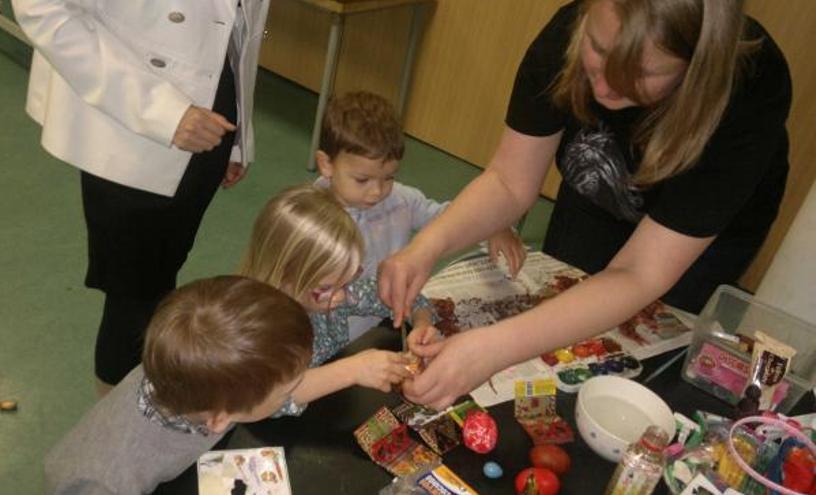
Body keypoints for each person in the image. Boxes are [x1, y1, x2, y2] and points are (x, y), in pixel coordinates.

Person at [379, 0, 791, 409]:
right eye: (598, 50)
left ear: (696, 66)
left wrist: (492, 348)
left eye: (642, 73)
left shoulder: (750, 86)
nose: (607, 87)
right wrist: (427, 246)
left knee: (645, 361)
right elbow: (509, 182)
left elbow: (640, 272)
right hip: (600, 184)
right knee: (559, 319)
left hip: (692, 241)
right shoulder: (567, 31)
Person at [12, 0, 270, 395]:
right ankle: (116, 438)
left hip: (210, 109)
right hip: (126, 115)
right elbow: (43, 9)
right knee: (131, 295)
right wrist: (162, 111)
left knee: (159, 279)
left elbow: (241, 17)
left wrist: (239, 132)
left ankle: (147, 414)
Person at [44, 276, 313, 495]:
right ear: (220, 419)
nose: (292, 393)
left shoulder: (189, 370)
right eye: (286, 393)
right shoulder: (106, 479)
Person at [314, 91, 524, 339]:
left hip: (383, 327)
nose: (377, 191)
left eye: (389, 177)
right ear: (326, 164)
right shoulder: (307, 215)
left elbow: (451, 219)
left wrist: (495, 225)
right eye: (362, 180)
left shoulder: (401, 200)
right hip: (325, 339)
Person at [238, 184, 436, 415]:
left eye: (350, 279)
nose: (342, 295)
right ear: (283, 277)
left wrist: (421, 324)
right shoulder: (255, 328)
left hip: (324, 413)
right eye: (326, 288)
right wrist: (352, 370)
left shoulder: (338, 291)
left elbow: (399, 298)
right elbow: (262, 402)